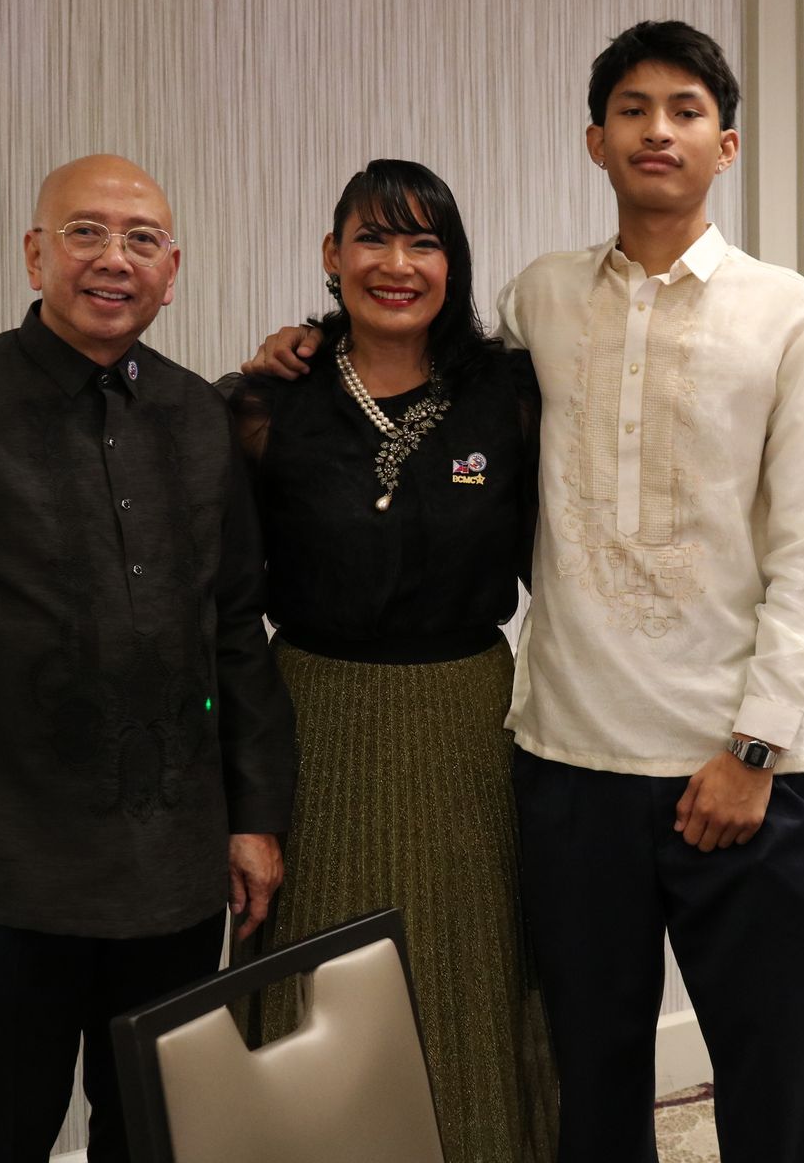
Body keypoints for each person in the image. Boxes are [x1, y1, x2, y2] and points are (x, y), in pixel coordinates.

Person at [249, 21, 804, 1162]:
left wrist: (756, 749)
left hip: (738, 771)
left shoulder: (795, 314)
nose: (657, 130)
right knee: (590, 1075)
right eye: (633, 109)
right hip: (568, 765)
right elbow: (425, 369)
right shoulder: (541, 299)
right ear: (595, 139)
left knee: (773, 1076)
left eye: (685, 110)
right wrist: (306, 341)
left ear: (725, 145)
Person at [0, 154, 295, 1161]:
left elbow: (236, 634)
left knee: (154, 1124)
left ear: (173, 270)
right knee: (5, 1119)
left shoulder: (203, 419)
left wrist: (256, 814)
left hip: (174, 868)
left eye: (140, 239)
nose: (112, 259)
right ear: (35, 253)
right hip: (7, 868)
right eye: (85, 232)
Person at [221, 159, 555, 1162]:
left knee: (475, 971)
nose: (397, 263)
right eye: (373, 238)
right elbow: (230, 611)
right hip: (314, 722)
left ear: (453, 263)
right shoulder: (264, 404)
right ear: (332, 257)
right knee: (315, 975)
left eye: (424, 241)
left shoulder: (510, 393)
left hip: (470, 723)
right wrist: (246, 802)